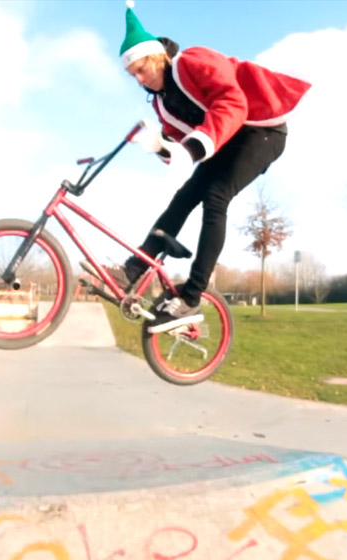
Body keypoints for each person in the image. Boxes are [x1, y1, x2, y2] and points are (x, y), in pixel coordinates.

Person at [109, 2, 311, 333]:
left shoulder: (193, 61)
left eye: (142, 70)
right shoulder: (162, 103)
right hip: (225, 141)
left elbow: (233, 103)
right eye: (134, 76)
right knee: (183, 197)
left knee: (216, 197)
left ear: (157, 57)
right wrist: (160, 146)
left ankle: (192, 295)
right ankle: (133, 268)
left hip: (260, 132)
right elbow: (180, 150)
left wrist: (190, 148)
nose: (140, 80)